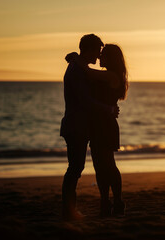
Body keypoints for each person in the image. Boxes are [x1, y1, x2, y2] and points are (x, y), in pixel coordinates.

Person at [60, 34, 119, 221]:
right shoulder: (77, 70)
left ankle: (70, 209)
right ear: (89, 50)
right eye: (97, 51)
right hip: (76, 125)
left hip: (81, 126)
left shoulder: (81, 68)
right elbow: (85, 101)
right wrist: (108, 108)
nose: (99, 56)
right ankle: (69, 210)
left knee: (77, 167)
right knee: (75, 168)